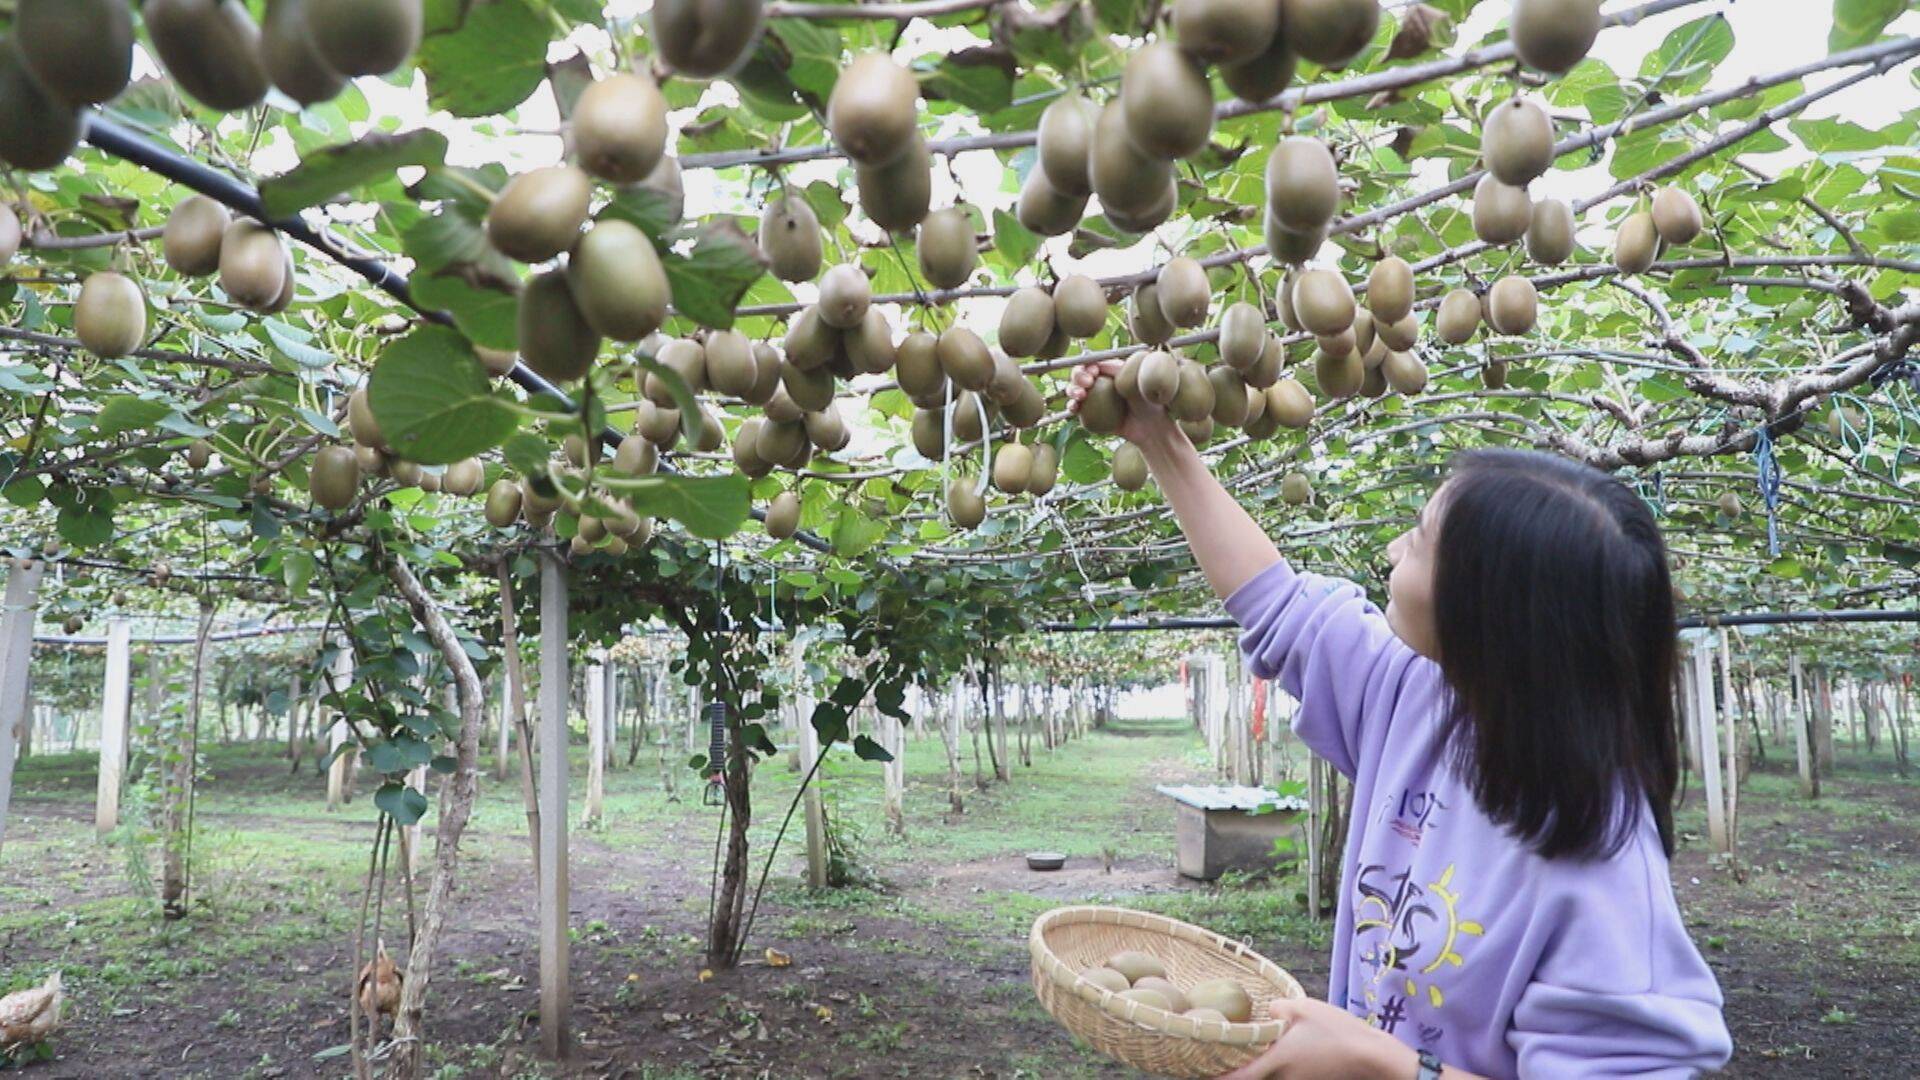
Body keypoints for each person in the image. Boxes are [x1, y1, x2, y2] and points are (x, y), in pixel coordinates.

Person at [1068, 361, 1733, 1080]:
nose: (1392, 551)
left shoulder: (1602, 867)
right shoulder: (1421, 696)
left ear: (1486, 611)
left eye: (1417, 539)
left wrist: (1392, 1069)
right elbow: (1276, 605)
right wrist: (1159, 440)